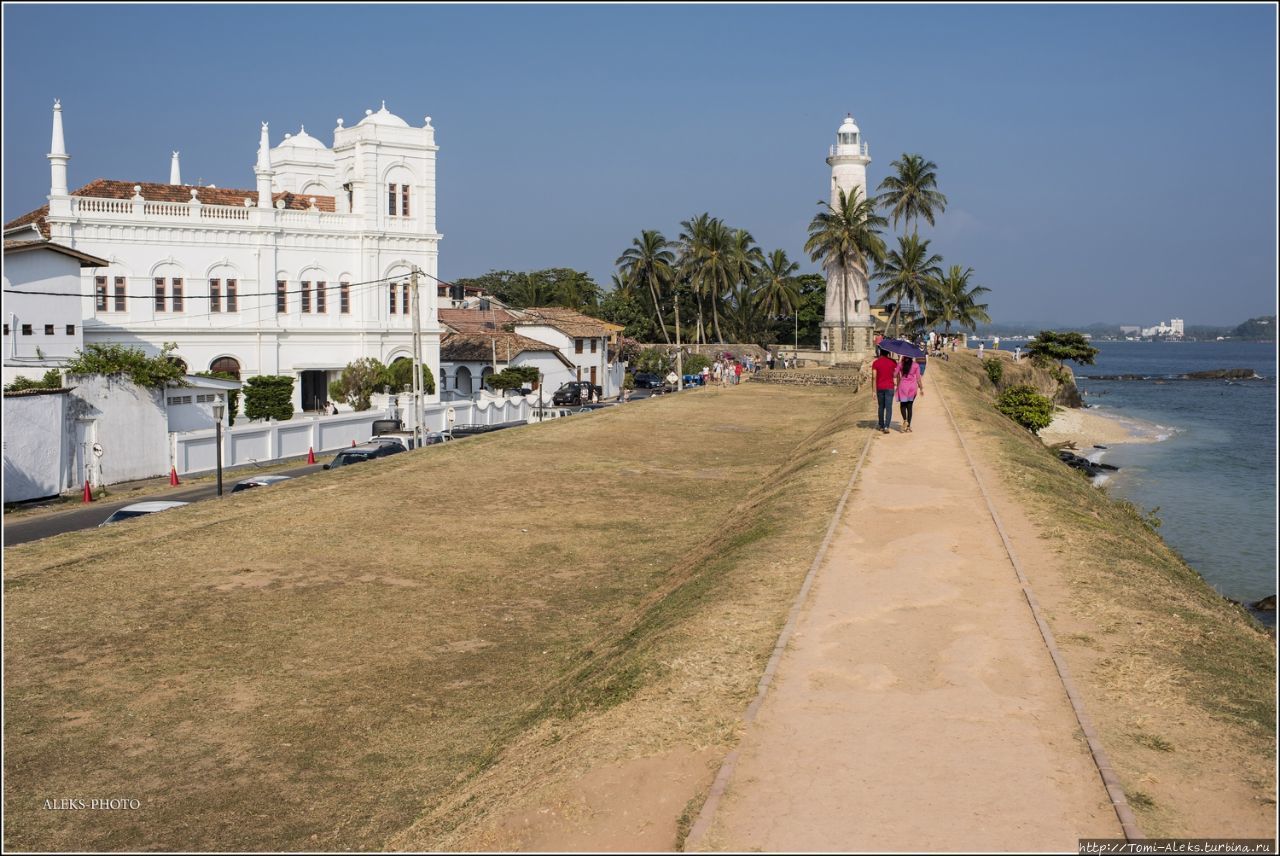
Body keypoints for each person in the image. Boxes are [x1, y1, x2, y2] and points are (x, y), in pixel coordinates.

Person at [871, 348, 898, 434]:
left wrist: (873, 391)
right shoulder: (893, 362)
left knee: (881, 407)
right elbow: (895, 374)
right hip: (890, 387)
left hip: (880, 387)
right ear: (888, 353)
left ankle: (881, 425)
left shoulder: (876, 363)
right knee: (889, 408)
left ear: (880, 353)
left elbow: (874, 377)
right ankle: (887, 426)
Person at [895, 355, 923, 433]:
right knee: (909, 407)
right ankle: (908, 427)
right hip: (912, 388)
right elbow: (918, 378)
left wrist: (898, 364)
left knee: (903, 405)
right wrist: (921, 388)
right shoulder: (916, 365)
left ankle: (905, 420)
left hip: (903, 387)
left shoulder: (900, 364)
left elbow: (894, 374)